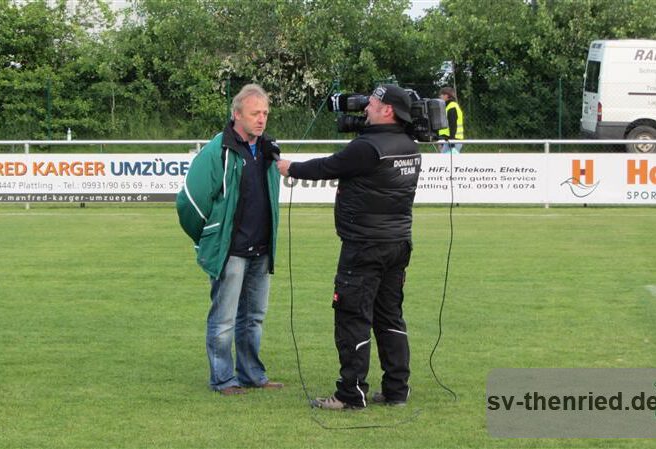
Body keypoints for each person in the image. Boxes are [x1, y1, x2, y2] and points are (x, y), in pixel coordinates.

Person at [276, 84, 421, 410]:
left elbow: (328, 167)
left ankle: (350, 394)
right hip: (397, 245)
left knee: (352, 316)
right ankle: (397, 389)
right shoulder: (410, 145)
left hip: (364, 246)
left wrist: (290, 168)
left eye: (372, 103)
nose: (364, 107)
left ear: (387, 110)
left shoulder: (368, 148)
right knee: (390, 318)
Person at [176, 84, 283, 396]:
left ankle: (251, 374)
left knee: (254, 318)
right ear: (237, 115)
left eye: (265, 113)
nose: (261, 119)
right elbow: (189, 204)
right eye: (255, 113)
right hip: (231, 252)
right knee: (224, 319)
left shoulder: (266, 150)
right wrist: (211, 237)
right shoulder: (217, 151)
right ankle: (223, 379)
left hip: (262, 250)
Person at [438, 86, 465, 154]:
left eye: (441, 95)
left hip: (453, 141)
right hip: (451, 140)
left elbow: (453, 126)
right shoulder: (449, 106)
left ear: (446, 95)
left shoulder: (452, 107)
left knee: (444, 161)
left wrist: (452, 143)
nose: (440, 96)